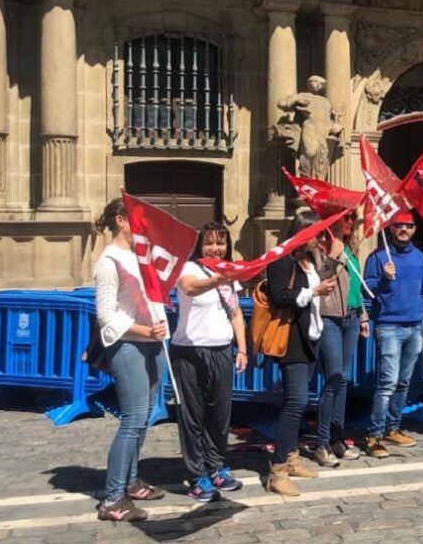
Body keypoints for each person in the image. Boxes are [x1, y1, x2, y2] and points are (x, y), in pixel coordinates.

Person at [93, 198, 168, 522]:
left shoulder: (142, 256)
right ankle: (112, 499)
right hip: (128, 345)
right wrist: (143, 330)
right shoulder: (108, 260)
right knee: (133, 417)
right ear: (121, 220)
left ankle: (132, 482)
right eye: (137, 218)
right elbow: (105, 316)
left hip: (153, 343)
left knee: (144, 415)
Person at [172, 222, 247, 503]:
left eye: (220, 243)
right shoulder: (188, 267)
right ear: (199, 246)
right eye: (209, 243)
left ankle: (216, 466)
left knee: (219, 415)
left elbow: (235, 313)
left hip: (222, 349)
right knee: (194, 415)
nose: (215, 248)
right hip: (191, 350)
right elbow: (190, 288)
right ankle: (197, 475)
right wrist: (217, 280)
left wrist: (242, 348)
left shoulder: (229, 273)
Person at [265, 211, 339, 496]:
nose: (319, 238)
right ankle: (277, 470)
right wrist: (313, 291)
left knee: (299, 401)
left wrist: (321, 287)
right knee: (295, 402)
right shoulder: (281, 259)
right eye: (315, 233)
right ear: (301, 232)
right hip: (292, 338)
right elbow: (279, 296)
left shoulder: (307, 260)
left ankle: (291, 457)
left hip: (310, 337)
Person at [363, 209, 423, 458]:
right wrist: (383, 278)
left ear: (414, 229)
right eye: (399, 225)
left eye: (409, 226)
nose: (404, 229)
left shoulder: (419, 257)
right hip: (388, 327)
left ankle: (393, 428)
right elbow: (366, 289)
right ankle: (374, 435)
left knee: (404, 382)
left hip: (414, 326)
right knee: (388, 383)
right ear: (390, 229)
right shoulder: (377, 256)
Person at [313, 212, 369, 468]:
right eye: (346, 218)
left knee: (342, 379)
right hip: (330, 318)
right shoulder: (320, 247)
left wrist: (363, 316)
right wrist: (334, 256)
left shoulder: (351, 247)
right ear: (333, 219)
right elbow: (319, 279)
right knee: (333, 378)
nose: (350, 223)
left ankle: (338, 438)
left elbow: (356, 285)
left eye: (352, 219)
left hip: (352, 318)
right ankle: (322, 442)